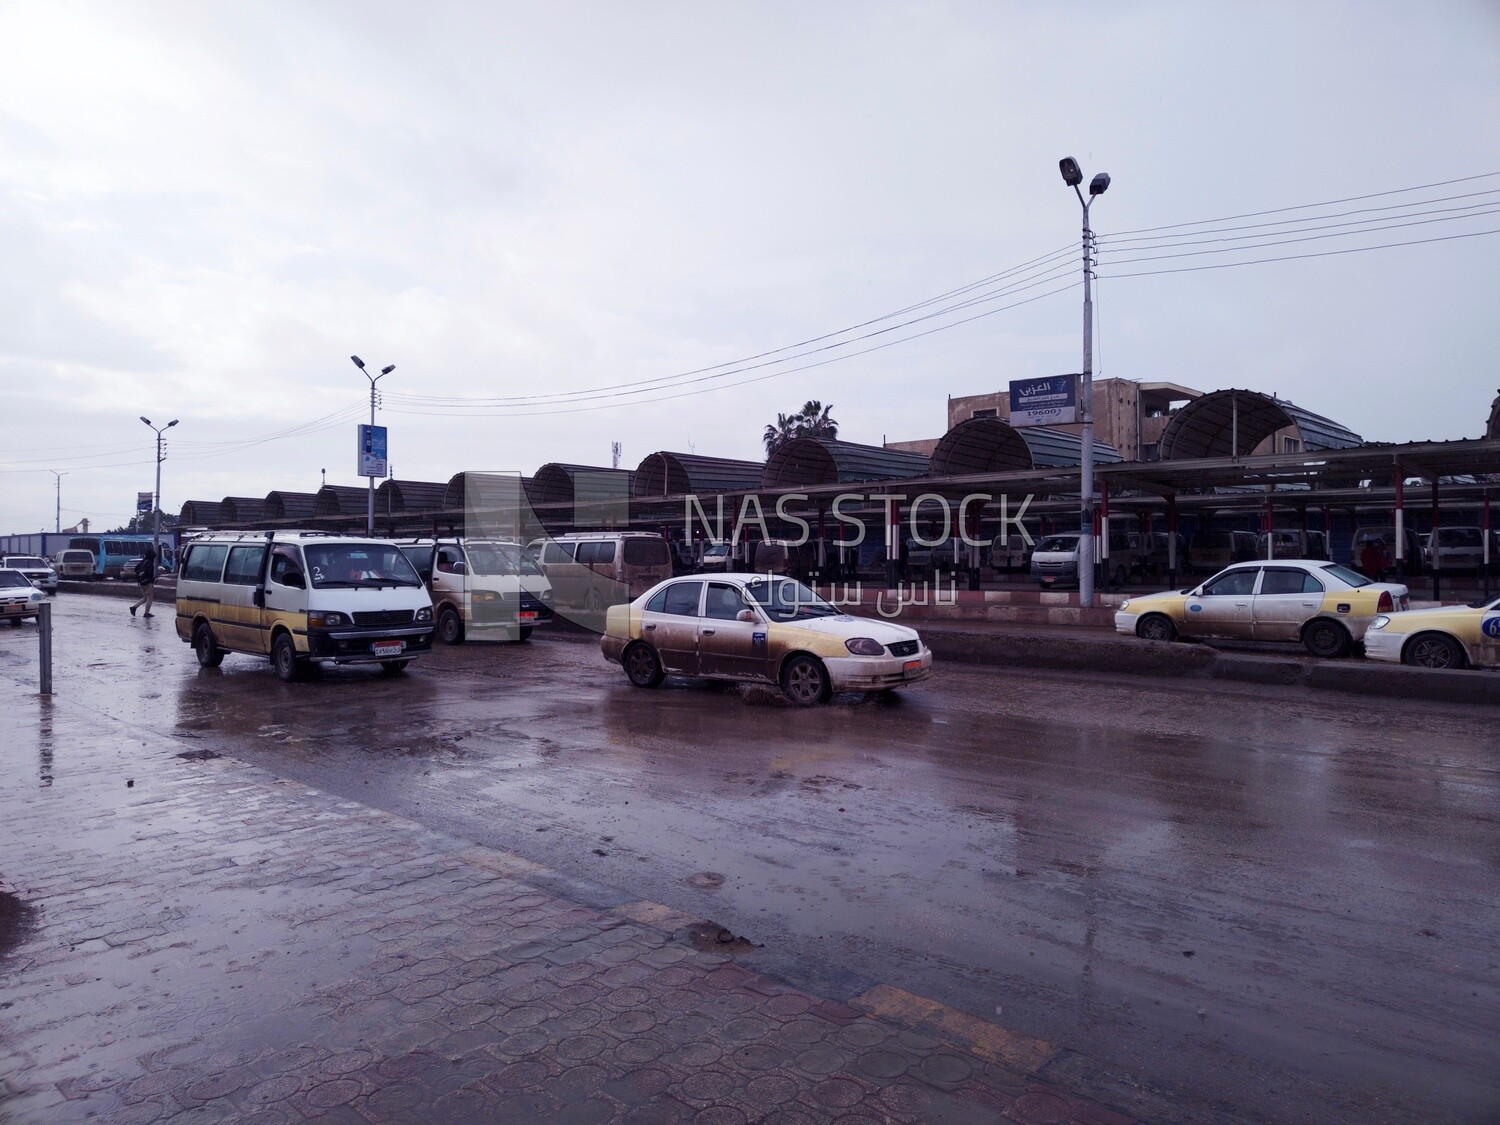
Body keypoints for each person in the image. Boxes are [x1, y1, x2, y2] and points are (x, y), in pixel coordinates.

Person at [129, 545, 158, 617]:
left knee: (145, 597)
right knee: (150, 598)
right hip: (148, 583)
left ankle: (134, 607)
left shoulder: (143, 561)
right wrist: (153, 579)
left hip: (141, 582)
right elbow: (150, 574)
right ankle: (146, 613)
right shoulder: (150, 563)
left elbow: (136, 569)